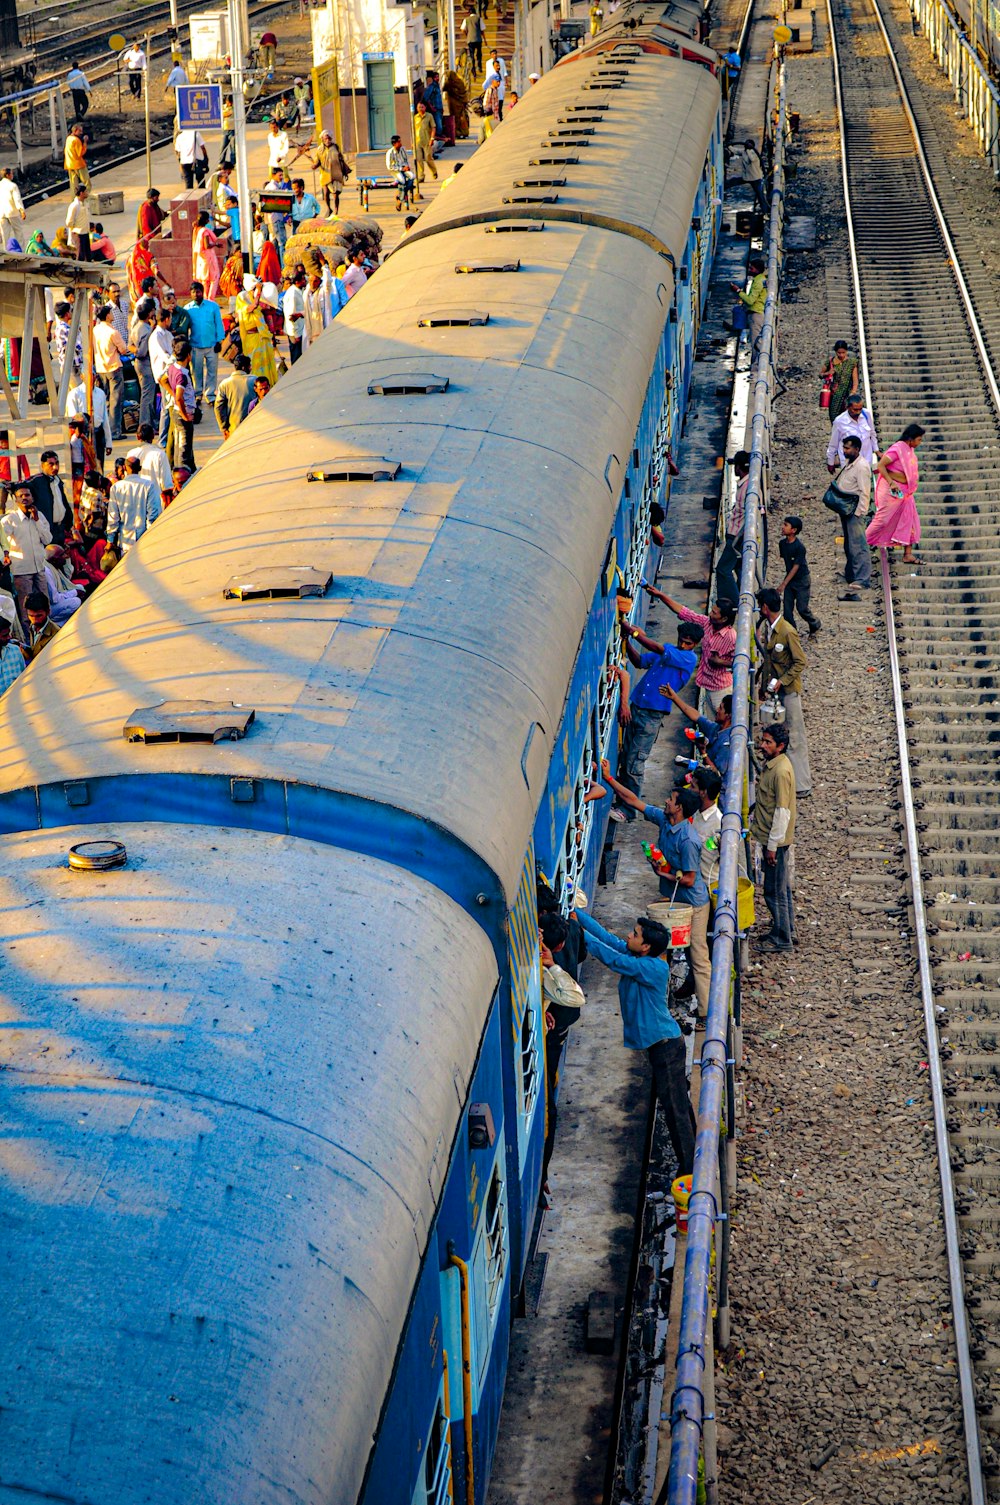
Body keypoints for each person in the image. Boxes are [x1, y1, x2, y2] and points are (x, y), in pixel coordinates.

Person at [576, 905, 696, 1176]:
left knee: (675, 1108)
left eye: (635, 934)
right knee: (678, 1103)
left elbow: (613, 959)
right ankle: (696, 1153)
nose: (629, 936)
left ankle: (690, 1169)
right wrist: (577, 915)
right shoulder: (643, 958)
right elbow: (608, 940)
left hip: (666, 1047)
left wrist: (579, 934)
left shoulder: (651, 968)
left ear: (645, 947)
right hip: (663, 1046)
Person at [612, 619, 701, 810]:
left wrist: (636, 634)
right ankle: (622, 802)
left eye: (688, 643)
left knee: (634, 763)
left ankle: (629, 810)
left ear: (694, 645)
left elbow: (655, 647)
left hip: (652, 715)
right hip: (638, 706)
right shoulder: (669, 651)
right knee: (626, 756)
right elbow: (640, 661)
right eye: (682, 640)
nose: (683, 645)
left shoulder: (687, 658)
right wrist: (627, 641)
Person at [538, 909, 585, 1199]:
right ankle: (542, 1176)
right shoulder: (545, 970)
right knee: (548, 1111)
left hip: (552, 1029)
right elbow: (575, 997)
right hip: (547, 1043)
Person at [643, 584, 736, 710]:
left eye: (714, 612)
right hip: (706, 684)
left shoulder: (731, 637)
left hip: (721, 689)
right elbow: (684, 612)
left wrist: (721, 662)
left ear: (724, 618)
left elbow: (741, 662)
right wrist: (660, 595)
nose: (710, 613)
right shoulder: (707, 623)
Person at [757, 586, 811, 798]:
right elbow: (769, 662)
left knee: (795, 736)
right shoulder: (771, 629)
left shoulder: (787, 631)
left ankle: (802, 785)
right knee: (780, 735)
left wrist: (782, 680)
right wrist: (764, 687)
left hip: (788, 692)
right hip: (777, 692)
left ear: (764, 607)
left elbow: (800, 662)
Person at [750, 722, 796, 951]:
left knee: (773, 892)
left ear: (780, 746)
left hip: (775, 841)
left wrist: (771, 846)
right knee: (782, 888)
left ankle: (782, 938)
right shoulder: (775, 765)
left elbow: (781, 812)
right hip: (774, 839)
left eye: (768, 742)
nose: (763, 745)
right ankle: (786, 928)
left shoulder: (780, 771)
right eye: (763, 740)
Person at [866, 422, 925, 565]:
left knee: (909, 520)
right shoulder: (897, 449)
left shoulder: (909, 450)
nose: (920, 442)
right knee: (882, 520)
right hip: (891, 492)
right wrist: (892, 482)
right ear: (910, 438)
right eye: (919, 439)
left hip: (905, 494)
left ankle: (908, 554)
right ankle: (861, 545)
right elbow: (881, 465)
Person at [1, 484, 51, 626]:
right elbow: (2, 540)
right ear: (15, 500)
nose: (24, 498)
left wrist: (37, 520)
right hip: (21, 572)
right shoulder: (10, 520)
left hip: (39, 568)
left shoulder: (39, 516)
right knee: (26, 611)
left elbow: (47, 540)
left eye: (27, 495)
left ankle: (48, 634)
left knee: (44, 604)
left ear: (33, 498)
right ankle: (30, 640)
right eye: (20, 496)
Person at [662, 688, 733, 778]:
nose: (717, 710)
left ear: (728, 716)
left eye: (721, 708)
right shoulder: (716, 728)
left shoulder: (727, 743)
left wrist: (703, 752)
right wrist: (674, 697)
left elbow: (716, 773)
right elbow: (696, 716)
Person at [835, 433, 873, 601]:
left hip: (855, 511)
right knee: (850, 545)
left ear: (857, 449)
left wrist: (860, 512)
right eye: (844, 448)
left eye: (848, 448)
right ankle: (851, 574)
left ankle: (862, 578)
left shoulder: (862, 466)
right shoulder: (851, 464)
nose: (845, 451)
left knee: (858, 545)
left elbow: (865, 492)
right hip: (847, 510)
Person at [108, 455, 162, 553]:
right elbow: (153, 514)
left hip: (125, 541)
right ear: (140, 468)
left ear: (124, 468)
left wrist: (110, 540)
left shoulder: (116, 488)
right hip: (144, 539)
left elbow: (113, 517)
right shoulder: (149, 486)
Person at [184, 280, 225, 410]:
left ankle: (211, 395)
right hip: (195, 346)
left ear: (202, 292)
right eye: (193, 292)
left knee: (212, 372)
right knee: (197, 372)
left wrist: (220, 341)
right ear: (190, 294)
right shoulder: (187, 309)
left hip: (212, 345)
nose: (196, 294)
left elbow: (219, 323)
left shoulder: (213, 306)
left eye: (198, 291)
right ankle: (197, 394)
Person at [778, 516, 820, 636]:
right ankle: (792, 633)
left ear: (794, 530)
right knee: (787, 610)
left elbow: (796, 567)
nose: (782, 527)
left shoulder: (799, 547)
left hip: (802, 580)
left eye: (786, 525)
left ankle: (814, 623)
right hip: (790, 580)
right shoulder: (782, 544)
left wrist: (784, 584)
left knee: (802, 608)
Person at [94, 303, 128, 441]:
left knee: (105, 400)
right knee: (115, 401)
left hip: (101, 368)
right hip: (113, 368)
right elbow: (123, 349)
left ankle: (104, 429)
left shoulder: (95, 330)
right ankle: (114, 431)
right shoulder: (113, 332)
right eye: (111, 313)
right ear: (108, 315)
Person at [235, 277, 278, 384]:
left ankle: (267, 386)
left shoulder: (257, 299)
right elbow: (252, 307)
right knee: (255, 365)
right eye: (253, 289)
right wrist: (258, 292)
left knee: (267, 363)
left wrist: (272, 335)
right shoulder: (242, 298)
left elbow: (269, 312)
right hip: (251, 339)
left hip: (263, 337)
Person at [163, 340, 197, 474]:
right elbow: (179, 397)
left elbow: (163, 380)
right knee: (184, 447)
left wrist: (171, 392)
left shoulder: (172, 368)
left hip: (177, 412)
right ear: (188, 355)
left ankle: (180, 471)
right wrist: (185, 415)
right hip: (182, 414)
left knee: (178, 444)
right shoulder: (182, 375)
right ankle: (182, 474)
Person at [27, 451, 71, 546]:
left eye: (57, 463)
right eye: (51, 464)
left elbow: (63, 502)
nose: (55, 467)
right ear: (43, 465)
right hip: (47, 530)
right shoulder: (36, 481)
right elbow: (20, 486)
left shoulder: (57, 481)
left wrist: (68, 523)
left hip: (60, 529)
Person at [827, 390, 879, 468]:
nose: (858, 412)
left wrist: (876, 450)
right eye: (855, 409)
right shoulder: (839, 421)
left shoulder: (866, 414)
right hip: (849, 463)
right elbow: (833, 444)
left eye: (860, 409)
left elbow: (872, 433)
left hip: (867, 461)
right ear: (847, 407)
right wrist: (830, 462)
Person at [149, 308, 177, 447]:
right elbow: (165, 355)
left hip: (171, 372)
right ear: (166, 319)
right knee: (166, 408)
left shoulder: (167, 334)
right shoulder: (156, 336)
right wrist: (175, 359)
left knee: (171, 405)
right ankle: (162, 439)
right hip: (163, 375)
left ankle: (169, 436)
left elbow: (173, 349)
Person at [127, 423, 171, 509]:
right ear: (153, 436)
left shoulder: (131, 454)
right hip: (155, 502)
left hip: (135, 501)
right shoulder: (160, 454)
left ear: (137, 437)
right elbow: (167, 485)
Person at [129, 297, 157, 430]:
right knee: (147, 397)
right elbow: (142, 352)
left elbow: (130, 346)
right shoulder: (146, 330)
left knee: (146, 395)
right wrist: (152, 329)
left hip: (139, 364)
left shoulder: (136, 327)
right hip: (145, 365)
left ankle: (149, 422)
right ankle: (145, 424)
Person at [215, 353, 256, 438]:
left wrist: (224, 428)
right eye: (250, 366)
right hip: (253, 427)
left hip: (233, 428)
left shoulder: (224, 384)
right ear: (244, 368)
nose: (251, 368)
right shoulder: (255, 381)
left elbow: (218, 407)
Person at [731, 254, 766, 349]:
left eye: (752, 268)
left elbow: (750, 301)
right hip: (757, 313)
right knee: (756, 341)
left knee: (756, 343)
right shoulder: (760, 280)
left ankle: (756, 363)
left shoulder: (758, 282)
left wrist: (738, 291)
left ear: (758, 270)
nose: (749, 270)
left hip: (756, 315)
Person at [822, 339, 859, 422]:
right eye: (839, 353)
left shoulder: (852, 363)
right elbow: (820, 374)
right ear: (835, 352)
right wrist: (828, 373)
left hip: (846, 395)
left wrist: (853, 392)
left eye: (843, 352)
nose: (841, 355)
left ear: (846, 351)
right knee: (834, 419)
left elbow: (855, 380)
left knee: (847, 419)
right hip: (834, 396)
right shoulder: (830, 362)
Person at [312, 132, 347, 218]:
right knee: (325, 193)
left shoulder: (336, 147)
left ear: (331, 139)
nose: (327, 140)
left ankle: (336, 210)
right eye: (325, 139)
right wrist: (314, 165)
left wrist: (345, 171)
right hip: (325, 174)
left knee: (335, 194)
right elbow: (317, 161)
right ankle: (328, 208)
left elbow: (341, 159)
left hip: (336, 173)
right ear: (322, 140)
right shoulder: (320, 149)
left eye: (329, 139)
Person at [189, 210, 221, 301]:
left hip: (201, 259)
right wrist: (216, 245)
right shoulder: (205, 231)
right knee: (214, 279)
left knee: (204, 281)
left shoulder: (197, 229)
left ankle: (205, 299)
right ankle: (210, 299)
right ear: (207, 220)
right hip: (208, 259)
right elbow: (206, 245)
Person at [24, 591, 59, 660]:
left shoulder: (56, 634)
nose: (34, 620)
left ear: (48, 612)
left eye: (39, 616)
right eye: (31, 616)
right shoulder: (33, 627)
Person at [282, 269, 307, 364]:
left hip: (301, 329)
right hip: (295, 331)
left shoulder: (299, 290)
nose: (305, 281)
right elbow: (291, 315)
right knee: (296, 357)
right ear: (297, 282)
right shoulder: (292, 294)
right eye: (303, 279)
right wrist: (295, 334)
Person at [735, 137, 767, 212]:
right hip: (747, 177)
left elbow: (752, 159)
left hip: (756, 178)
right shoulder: (744, 152)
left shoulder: (754, 153)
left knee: (760, 196)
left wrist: (749, 150)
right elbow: (736, 151)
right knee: (733, 181)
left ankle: (765, 211)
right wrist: (729, 146)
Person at [386, 137, 416, 209]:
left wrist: (407, 167)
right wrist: (401, 169)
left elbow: (406, 160)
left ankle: (399, 197)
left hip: (404, 168)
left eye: (400, 141)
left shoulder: (403, 149)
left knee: (412, 176)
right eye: (398, 142)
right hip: (395, 170)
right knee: (402, 180)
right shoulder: (390, 153)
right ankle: (400, 200)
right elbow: (389, 167)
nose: (400, 143)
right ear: (394, 144)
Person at [414, 102, 437, 192]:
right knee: (419, 159)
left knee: (428, 158)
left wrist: (432, 138)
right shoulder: (415, 118)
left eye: (422, 107)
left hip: (427, 141)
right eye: (419, 107)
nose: (420, 108)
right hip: (417, 141)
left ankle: (434, 171)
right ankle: (421, 176)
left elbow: (433, 128)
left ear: (425, 107)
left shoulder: (429, 116)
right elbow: (413, 129)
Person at [65, 185, 91, 261]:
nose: (87, 193)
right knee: (80, 255)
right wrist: (76, 228)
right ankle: (79, 271)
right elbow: (69, 222)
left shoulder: (85, 204)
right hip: (78, 233)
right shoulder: (74, 206)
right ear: (81, 193)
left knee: (87, 255)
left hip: (85, 232)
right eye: (85, 191)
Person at [0, 169, 25, 248]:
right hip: (12, 212)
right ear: (7, 175)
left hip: (1, 213)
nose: (12, 175)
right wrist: (22, 210)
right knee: (18, 232)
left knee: (5, 234)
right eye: (11, 173)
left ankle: (6, 252)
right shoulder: (13, 185)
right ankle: (22, 253)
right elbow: (17, 199)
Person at [0, 615, 26, 690]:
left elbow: (24, 675)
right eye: (5, 635)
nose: (9, 637)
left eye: (8, 634)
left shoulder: (15, 650)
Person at [64, 125, 90, 198]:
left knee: (73, 185)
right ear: (75, 131)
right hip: (78, 164)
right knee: (87, 183)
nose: (81, 133)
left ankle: (74, 199)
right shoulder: (76, 140)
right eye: (80, 131)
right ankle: (85, 197)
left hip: (69, 164)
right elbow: (80, 153)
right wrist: (84, 142)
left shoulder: (68, 138)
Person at [423, 71, 444, 136]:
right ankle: (436, 139)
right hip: (435, 109)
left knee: (440, 125)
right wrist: (431, 107)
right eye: (436, 77)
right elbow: (426, 97)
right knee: (438, 126)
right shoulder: (431, 87)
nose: (437, 78)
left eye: (438, 77)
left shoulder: (437, 86)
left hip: (439, 109)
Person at [463, 7, 483, 74]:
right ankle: (479, 66)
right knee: (479, 53)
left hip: (470, 39)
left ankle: (473, 68)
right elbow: (482, 29)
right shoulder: (479, 19)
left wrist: (467, 34)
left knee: (472, 54)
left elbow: (462, 29)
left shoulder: (466, 19)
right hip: (478, 39)